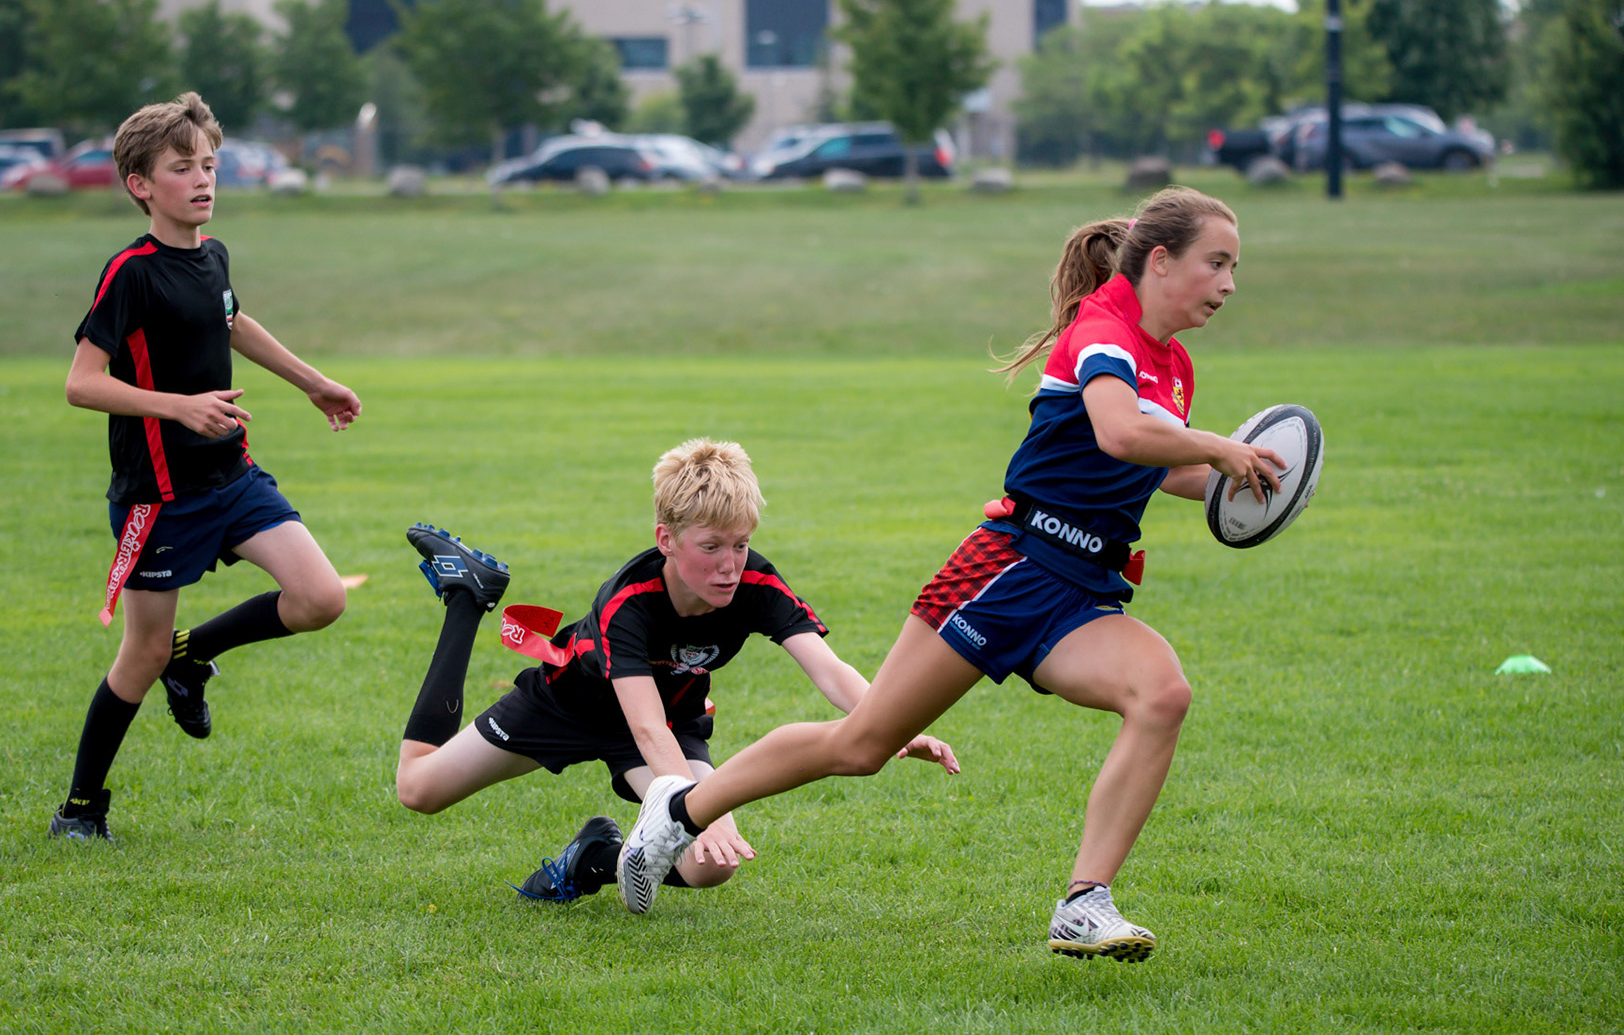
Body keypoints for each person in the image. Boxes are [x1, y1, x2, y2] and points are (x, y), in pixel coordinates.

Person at [615, 187, 1290, 962]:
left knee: (1163, 693)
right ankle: (680, 811)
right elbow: (1118, 431)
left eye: (1234, 267)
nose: (1229, 283)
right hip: (1008, 569)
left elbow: (1159, 466)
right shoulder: (1104, 328)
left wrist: (1250, 486)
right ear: (1161, 260)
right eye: (1217, 263)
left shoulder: (1174, 366)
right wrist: (1219, 446)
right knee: (863, 744)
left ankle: (1083, 903)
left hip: (1082, 588)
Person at [394, 437, 958, 903]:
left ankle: (593, 859)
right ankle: (467, 599)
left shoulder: (755, 584)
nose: (729, 565)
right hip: (568, 706)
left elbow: (829, 670)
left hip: (671, 722)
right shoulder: (627, 603)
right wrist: (690, 812)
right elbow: (644, 728)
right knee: (419, 789)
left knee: (712, 865)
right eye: (711, 547)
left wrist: (889, 723)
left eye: (740, 545)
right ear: (666, 540)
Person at [48, 91, 362, 842]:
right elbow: (81, 384)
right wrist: (178, 407)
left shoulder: (212, 254)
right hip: (158, 497)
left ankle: (193, 660)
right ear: (140, 184)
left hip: (231, 476)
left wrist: (313, 382)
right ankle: (80, 810)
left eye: (210, 165)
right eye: (182, 167)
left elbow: (232, 320)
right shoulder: (130, 272)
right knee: (141, 652)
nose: (202, 179)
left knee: (321, 597)